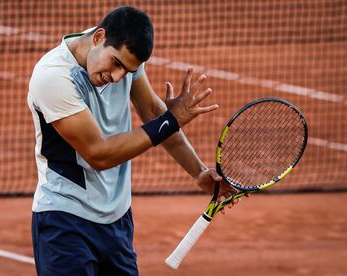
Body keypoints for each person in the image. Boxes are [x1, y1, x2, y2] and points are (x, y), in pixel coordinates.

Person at [27, 5, 237, 276]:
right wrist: (169, 121)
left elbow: (152, 111)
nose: (116, 77)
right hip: (65, 221)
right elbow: (98, 154)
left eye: (127, 71)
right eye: (115, 63)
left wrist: (198, 171)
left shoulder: (125, 55)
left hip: (118, 222)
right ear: (99, 37)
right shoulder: (53, 77)